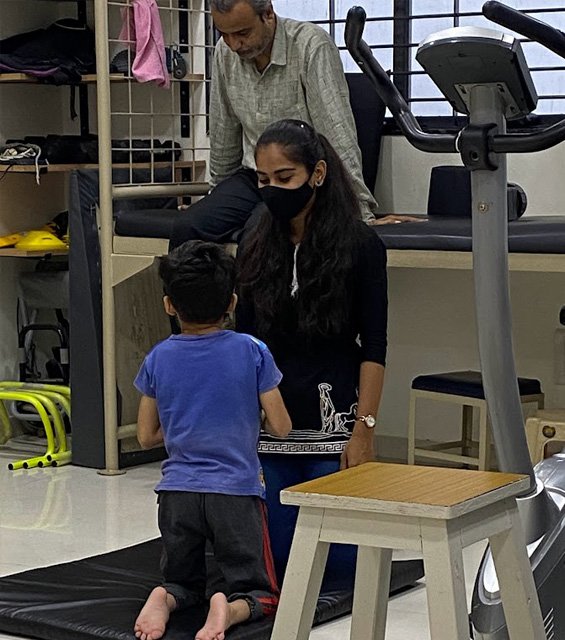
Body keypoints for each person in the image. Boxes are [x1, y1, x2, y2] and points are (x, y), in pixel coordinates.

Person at [236, 119, 387, 589]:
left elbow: (375, 346)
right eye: (263, 179)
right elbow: (244, 341)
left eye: (285, 178)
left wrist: (363, 431)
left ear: (317, 174)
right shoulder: (253, 239)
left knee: (339, 570)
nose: (272, 189)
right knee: (279, 564)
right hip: (272, 424)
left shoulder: (362, 245)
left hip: (333, 424)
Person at [133, 240, 291, 640]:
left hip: (176, 494)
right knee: (262, 593)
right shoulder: (252, 350)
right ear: (232, 303)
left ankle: (165, 597)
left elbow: (146, 435)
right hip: (235, 492)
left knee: (183, 582)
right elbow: (282, 426)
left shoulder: (158, 357)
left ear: (170, 306)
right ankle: (229, 608)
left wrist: (187, 425)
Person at [171, 0, 412, 251]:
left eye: (243, 33)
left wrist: (359, 212)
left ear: (268, 14)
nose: (234, 44)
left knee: (260, 233)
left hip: (299, 179)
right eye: (225, 34)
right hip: (254, 176)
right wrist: (216, 199)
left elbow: (337, 133)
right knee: (187, 228)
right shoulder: (225, 52)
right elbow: (225, 134)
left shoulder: (311, 45)